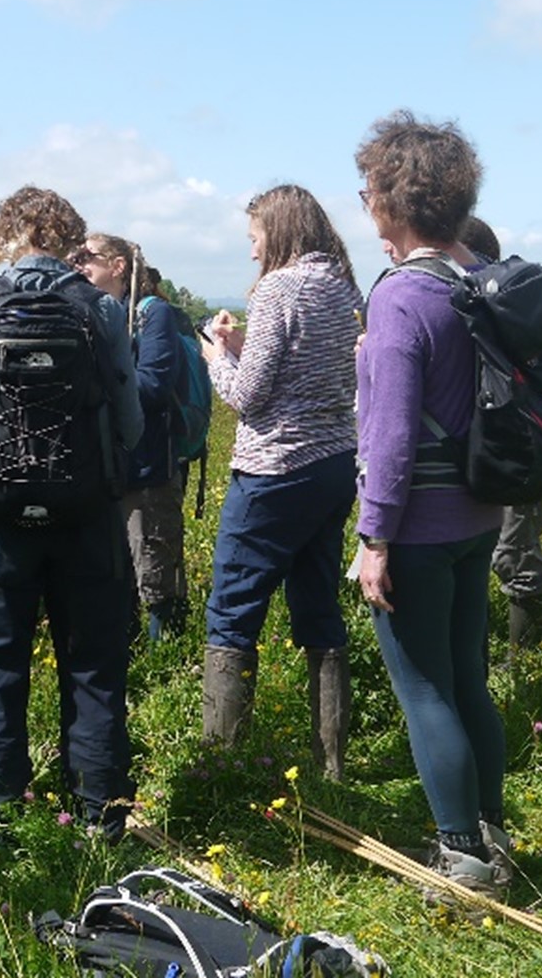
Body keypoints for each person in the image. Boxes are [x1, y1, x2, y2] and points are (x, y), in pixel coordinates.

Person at [0, 185, 143, 846]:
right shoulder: (99, 309)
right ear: (69, 236)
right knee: (94, 664)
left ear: (5, 235)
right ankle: (101, 816)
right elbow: (129, 424)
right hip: (85, 519)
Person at [351, 110, 512, 901]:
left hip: (414, 526)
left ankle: (462, 861)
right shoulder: (475, 280)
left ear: (389, 199)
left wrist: (373, 535)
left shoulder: (399, 298)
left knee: (427, 692)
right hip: (479, 516)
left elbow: (386, 436)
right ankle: (492, 830)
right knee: (469, 680)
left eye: (367, 190)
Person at [195, 186, 363, 781]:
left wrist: (216, 355)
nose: (252, 252)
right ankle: (331, 765)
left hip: (273, 470)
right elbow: (304, 369)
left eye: (255, 237)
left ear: (280, 230)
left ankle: (221, 768)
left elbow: (247, 396)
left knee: (232, 612)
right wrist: (244, 346)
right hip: (334, 462)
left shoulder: (279, 287)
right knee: (318, 606)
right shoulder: (342, 285)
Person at [455, 215, 542, 653]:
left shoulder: (490, 302)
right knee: (508, 551)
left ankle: (528, 665)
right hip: (531, 445)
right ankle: (502, 658)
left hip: (518, 445)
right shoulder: (519, 300)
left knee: (514, 554)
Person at [74, 233, 191, 640]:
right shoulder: (93, 312)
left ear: (118, 266)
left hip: (148, 465)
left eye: (87, 257)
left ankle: (166, 664)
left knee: (154, 569)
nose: (78, 265)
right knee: (113, 569)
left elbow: (155, 385)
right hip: (108, 465)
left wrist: (91, 387)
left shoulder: (151, 313)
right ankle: (129, 653)